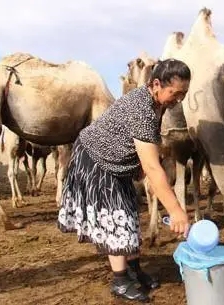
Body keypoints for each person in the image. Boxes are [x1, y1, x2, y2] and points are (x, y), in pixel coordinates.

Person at [57, 58, 191, 302]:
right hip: (96, 160)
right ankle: (120, 280)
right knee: (116, 218)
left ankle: (134, 270)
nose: (178, 100)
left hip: (118, 164)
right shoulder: (141, 109)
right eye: (175, 93)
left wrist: (138, 166)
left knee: (130, 214)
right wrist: (175, 210)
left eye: (183, 94)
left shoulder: (156, 103)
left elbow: (146, 151)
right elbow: (153, 166)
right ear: (157, 84)